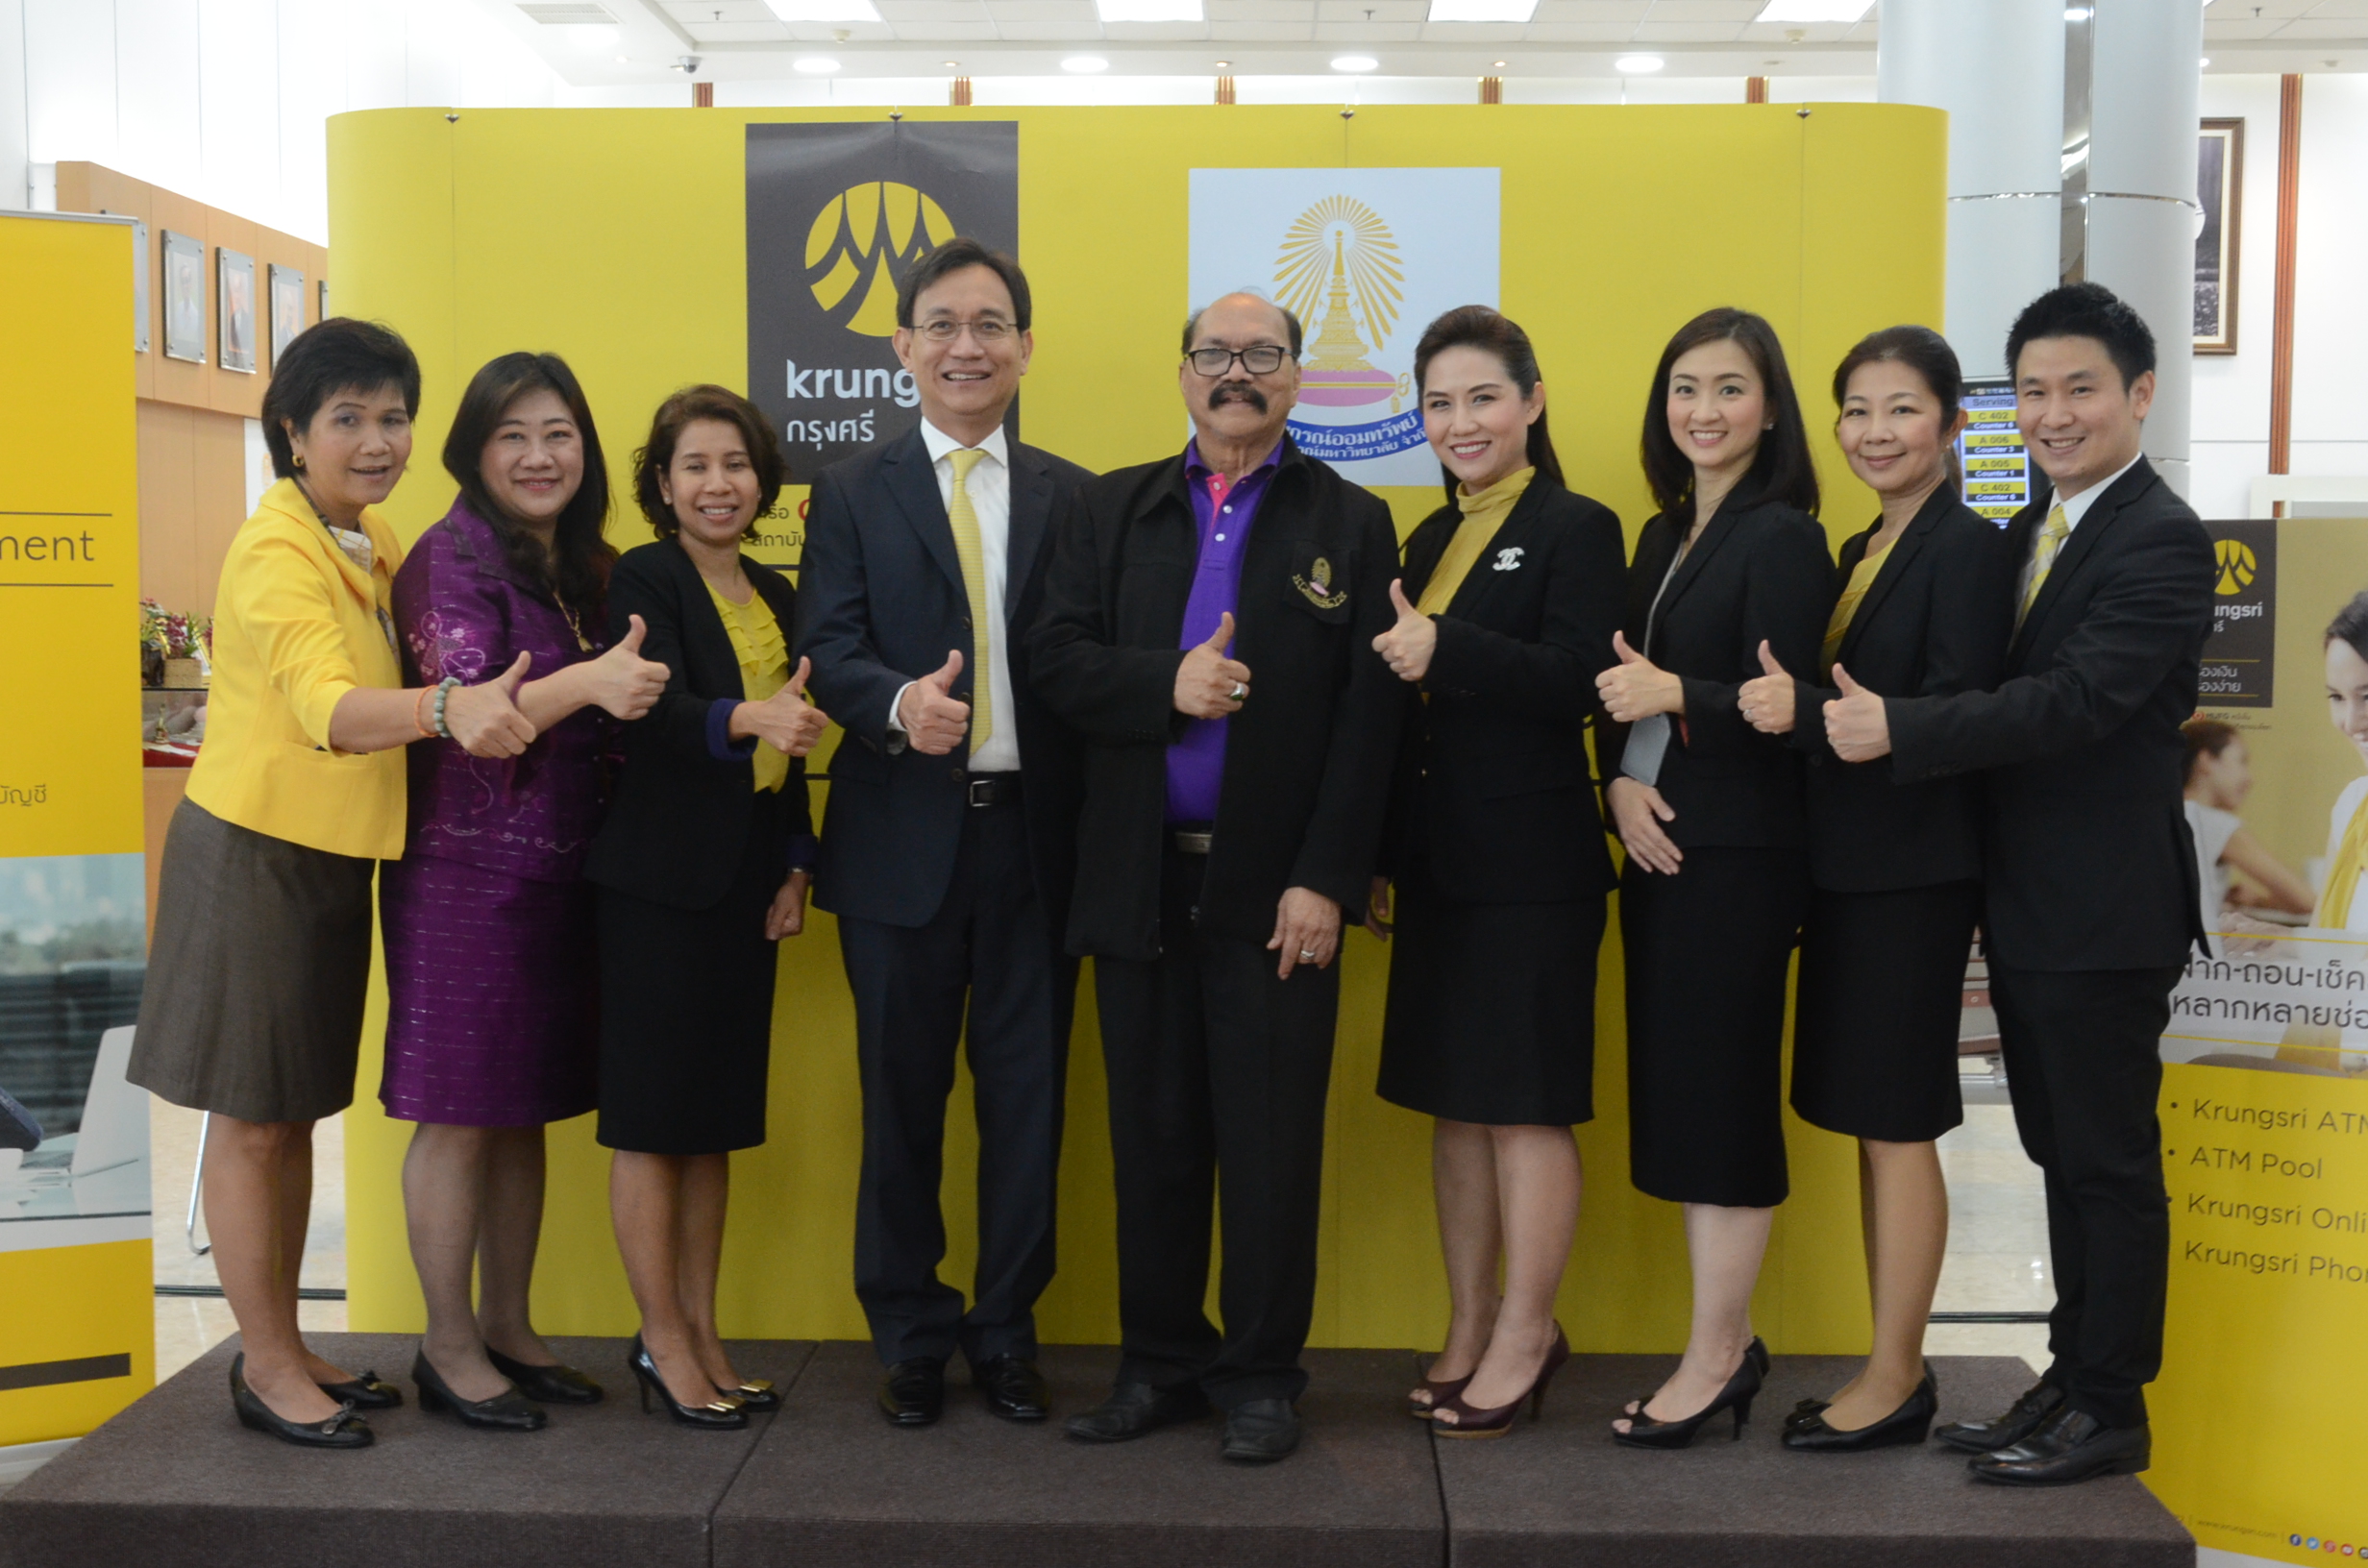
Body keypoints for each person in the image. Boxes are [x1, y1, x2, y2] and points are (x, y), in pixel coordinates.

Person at [1822, 282, 2215, 1485]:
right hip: (2035, 907)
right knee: (2058, 1154)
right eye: (2033, 391)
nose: (2053, 413)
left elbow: (2077, 700)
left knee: (2106, 1165)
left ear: (2139, 394)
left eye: (2079, 388)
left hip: (2104, 910)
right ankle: (2070, 1377)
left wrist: (1903, 727)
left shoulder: (2161, 537)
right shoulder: (2035, 528)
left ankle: (2113, 1405)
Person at [126, 319, 536, 1449]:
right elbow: (329, 709)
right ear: (292, 433)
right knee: (253, 1120)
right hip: (254, 853)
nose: (376, 441)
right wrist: (447, 707)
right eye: (347, 419)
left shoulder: (366, 535)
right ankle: (264, 1365)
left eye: (393, 417)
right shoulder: (276, 550)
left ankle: (287, 1340)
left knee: (297, 1110)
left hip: (328, 855)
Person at [1029, 292, 1401, 1464]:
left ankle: (1259, 1378)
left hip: (1277, 894)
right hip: (1136, 882)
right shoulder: (1108, 507)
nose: (1236, 372)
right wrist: (1166, 685)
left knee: (1271, 1146)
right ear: (1183, 371)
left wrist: (1328, 877)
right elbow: (1052, 661)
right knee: (1152, 1141)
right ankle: (1157, 1365)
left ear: (1296, 375)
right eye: (1214, 353)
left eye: (1261, 354)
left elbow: (1370, 720)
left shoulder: (1352, 519)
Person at [796, 240, 1093, 1429]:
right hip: (898, 845)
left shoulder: (1076, 496)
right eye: (942, 326)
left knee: (1028, 1107)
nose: (966, 346)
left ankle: (1007, 1330)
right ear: (903, 347)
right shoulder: (848, 491)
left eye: (989, 325)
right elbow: (828, 644)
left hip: (1036, 846)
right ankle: (910, 1332)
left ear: (1025, 345)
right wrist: (893, 705)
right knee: (899, 1100)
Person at [382, 353, 669, 1430]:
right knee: (460, 1114)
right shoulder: (446, 558)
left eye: (558, 434)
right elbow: (472, 709)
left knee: (521, 1112)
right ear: (474, 451)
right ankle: (447, 1345)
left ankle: (509, 1325)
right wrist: (589, 682)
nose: (539, 456)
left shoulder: (588, 564)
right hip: (466, 874)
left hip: (568, 873)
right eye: (513, 436)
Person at [1735, 326, 2010, 1451]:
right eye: (1856, 410)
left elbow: (1959, 715)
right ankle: (1886, 1362)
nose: (1874, 432)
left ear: (1951, 423)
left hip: (1913, 874)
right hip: (1848, 872)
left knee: (1896, 1125)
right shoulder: (1860, 545)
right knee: (1866, 1122)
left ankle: (1897, 1376)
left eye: (1901, 409)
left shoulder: (1970, 548)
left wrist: (1802, 715)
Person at [1365, 306, 1623, 1437]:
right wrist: (1382, 855)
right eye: (1438, 403)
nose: (1459, 422)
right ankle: (1470, 1323)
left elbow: (1580, 679)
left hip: (1532, 867)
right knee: (1456, 1111)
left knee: (1522, 1110)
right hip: (1439, 865)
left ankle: (1528, 1330)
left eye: (1481, 398)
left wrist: (1448, 648)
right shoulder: (1427, 536)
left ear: (1531, 402)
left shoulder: (1578, 525)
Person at [1591, 306, 1832, 1449]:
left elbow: (1788, 710)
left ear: (1770, 408)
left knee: (1721, 1100)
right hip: (1658, 846)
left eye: (1729, 388)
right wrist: (1616, 785)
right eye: (1684, 387)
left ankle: (1718, 1353)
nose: (1703, 409)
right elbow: (1619, 689)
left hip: (1737, 860)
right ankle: (1719, 1342)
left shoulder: (1782, 538)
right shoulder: (1661, 534)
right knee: (1686, 1100)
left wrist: (1678, 695)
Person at [582, 385, 829, 1430]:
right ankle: (661, 1339)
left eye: (735, 465)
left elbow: (796, 739)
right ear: (663, 484)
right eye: (695, 466)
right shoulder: (646, 576)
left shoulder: (775, 589)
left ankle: (703, 1331)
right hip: (659, 889)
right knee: (654, 1125)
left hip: (744, 885)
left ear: (762, 481)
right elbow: (654, 709)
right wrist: (745, 717)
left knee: (712, 1126)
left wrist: (797, 866)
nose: (718, 484)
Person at [2179, 719, 2310, 946]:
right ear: (2206, 760)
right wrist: (2260, 901)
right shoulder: (2213, 823)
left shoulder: (2165, 815)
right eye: (2241, 762)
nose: (2249, 779)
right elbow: (2306, 902)